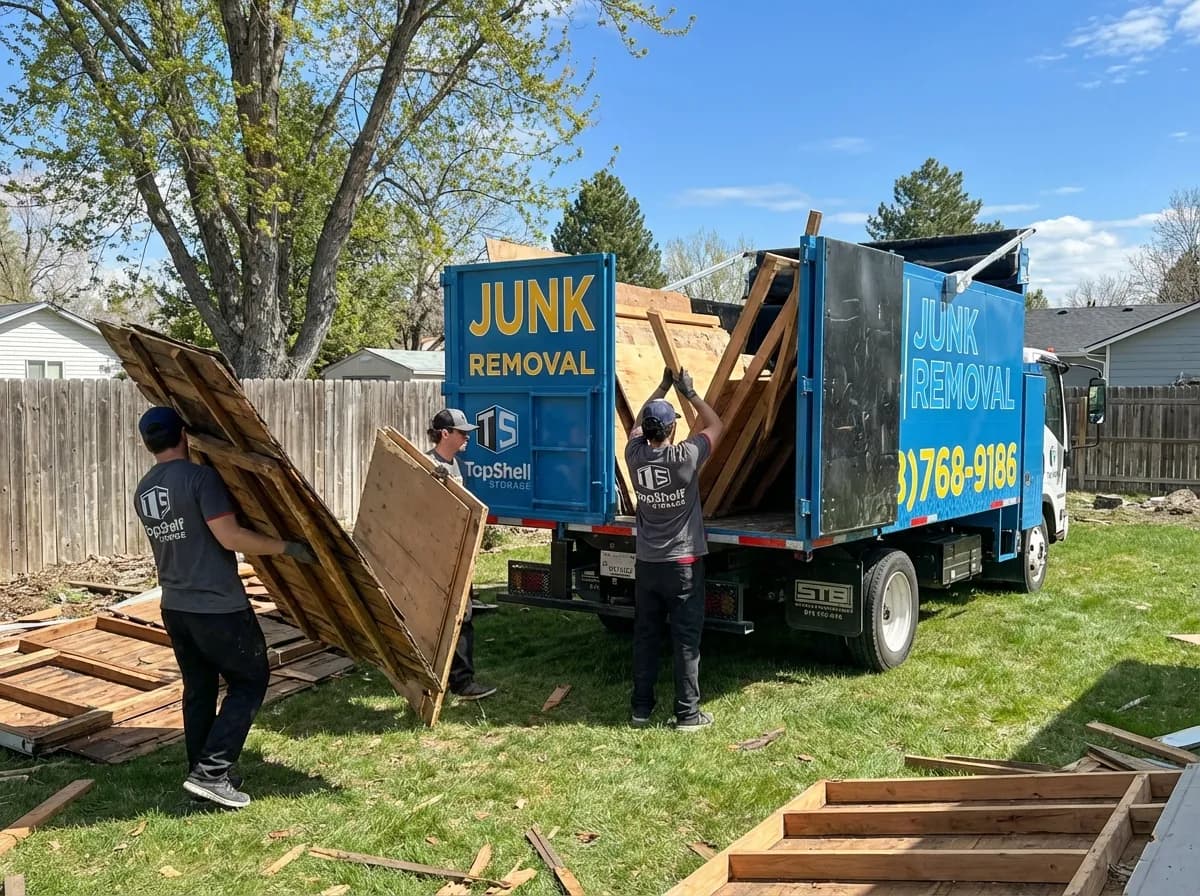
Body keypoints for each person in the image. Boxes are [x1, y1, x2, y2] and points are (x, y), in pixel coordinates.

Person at [133, 406, 316, 809]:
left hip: (175, 606)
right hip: (217, 605)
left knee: (199, 688)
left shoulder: (144, 490)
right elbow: (229, 537)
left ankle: (199, 771)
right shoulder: (200, 478)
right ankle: (212, 772)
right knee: (249, 681)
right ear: (184, 435)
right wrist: (287, 548)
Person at [625, 368, 724, 732]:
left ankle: (640, 709)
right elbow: (716, 425)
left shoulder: (634, 456)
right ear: (671, 430)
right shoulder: (684, 458)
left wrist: (662, 388)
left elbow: (637, 423)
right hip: (682, 563)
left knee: (646, 636)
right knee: (685, 640)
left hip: (647, 564)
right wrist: (691, 392)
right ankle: (687, 714)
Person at [426, 408, 498, 701]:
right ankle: (459, 682)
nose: (467, 437)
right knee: (454, 617)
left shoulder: (456, 466)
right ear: (445, 434)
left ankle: (455, 679)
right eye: (462, 432)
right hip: (438, 554)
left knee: (463, 615)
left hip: (458, 552)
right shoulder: (427, 464)